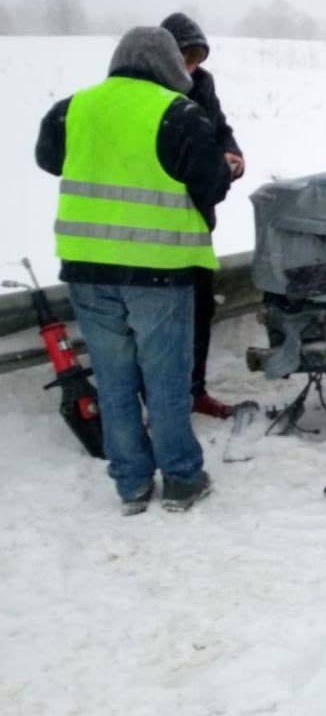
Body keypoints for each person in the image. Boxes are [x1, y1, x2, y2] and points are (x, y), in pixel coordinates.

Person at [35, 27, 232, 514]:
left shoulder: (71, 108)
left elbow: (47, 159)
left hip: (86, 269)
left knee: (115, 379)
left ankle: (131, 484)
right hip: (158, 269)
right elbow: (212, 184)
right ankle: (183, 479)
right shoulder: (179, 114)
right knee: (165, 382)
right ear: (168, 66)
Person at [160, 12, 244, 419]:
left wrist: (232, 153)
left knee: (200, 306)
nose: (191, 66)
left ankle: (194, 391)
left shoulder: (202, 86)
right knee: (159, 318)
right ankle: (160, 401)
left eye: (197, 56)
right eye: (184, 55)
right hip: (153, 227)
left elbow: (220, 128)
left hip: (196, 221)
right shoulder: (149, 91)